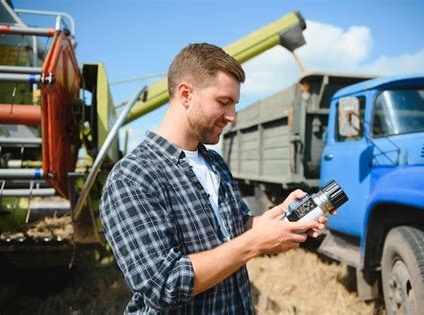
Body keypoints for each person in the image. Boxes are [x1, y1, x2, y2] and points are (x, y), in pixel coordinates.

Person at [100, 43, 329, 314]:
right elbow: (164, 285)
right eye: (223, 102)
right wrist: (254, 244)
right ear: (185, 94)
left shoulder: (215, 163)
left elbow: (235, 230)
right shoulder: (133, 177)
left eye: (234, 104)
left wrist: (280, 218)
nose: (232, 116)